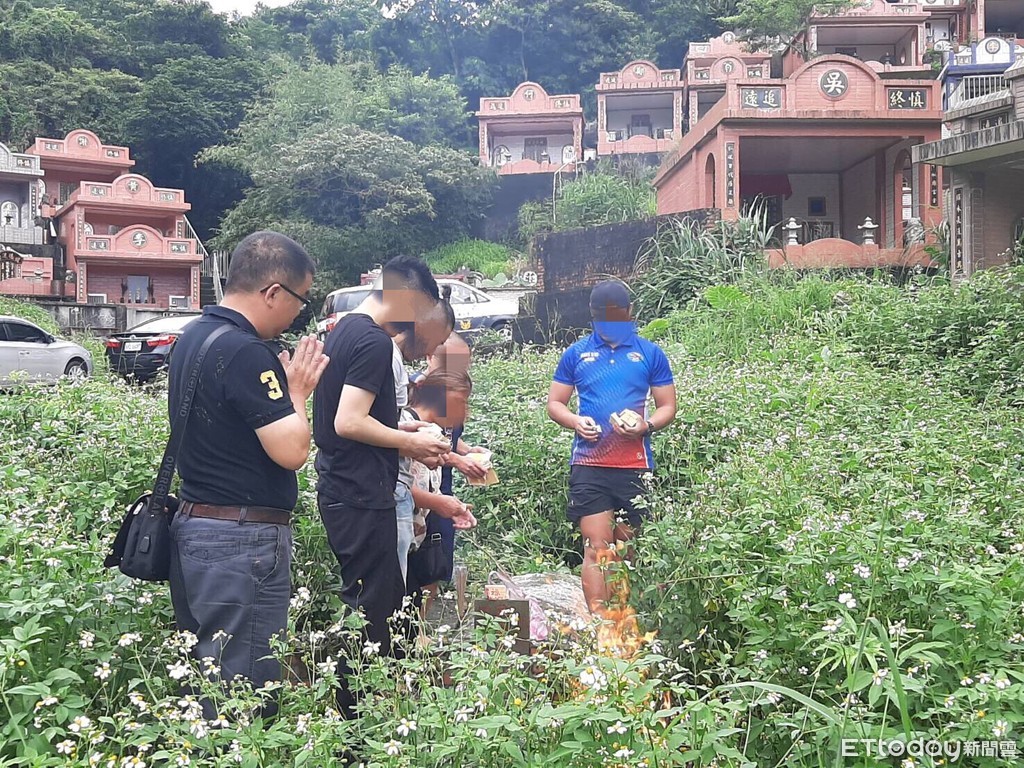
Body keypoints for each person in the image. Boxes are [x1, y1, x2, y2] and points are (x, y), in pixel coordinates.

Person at [167, 231, 328, 716]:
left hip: (195, 528)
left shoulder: (193, 337)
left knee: (210, 676)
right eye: (301, 299)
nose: (299, 312)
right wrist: (297, 391)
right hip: (241, 541)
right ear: (273, 291)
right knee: (245, 690)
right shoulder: (246, 352)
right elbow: (292, 451)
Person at [313, 255, 456, 713]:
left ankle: (362, 713)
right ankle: (356, 725)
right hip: (361, 494)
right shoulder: (373, 342)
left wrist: (404, 430)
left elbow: (359, 417)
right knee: (373, 614)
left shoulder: (346, 330)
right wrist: (410, 444)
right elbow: (348, 422)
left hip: (345, 488)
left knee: (371, 607)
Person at [546, 280, 677, 612]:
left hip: (634, 464)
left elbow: (667, 406)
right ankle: (600, 625)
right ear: (592, 315)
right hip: (589, 464)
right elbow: (555, 403)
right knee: (596, 548)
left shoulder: (650, 353)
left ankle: (625, 617)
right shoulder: (576, 354)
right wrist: (576, 421)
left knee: (627, 549)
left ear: (629, 313)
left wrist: (646, 426)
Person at [403, 368, 477, 637]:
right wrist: (438, 503)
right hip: (395, 531)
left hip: (416, 532)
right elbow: (395, 485)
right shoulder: (407, 427)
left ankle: (413, 643)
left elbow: (427, 484)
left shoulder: (433, 431)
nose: (465, 414)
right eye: (462, 403)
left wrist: (452, 508)